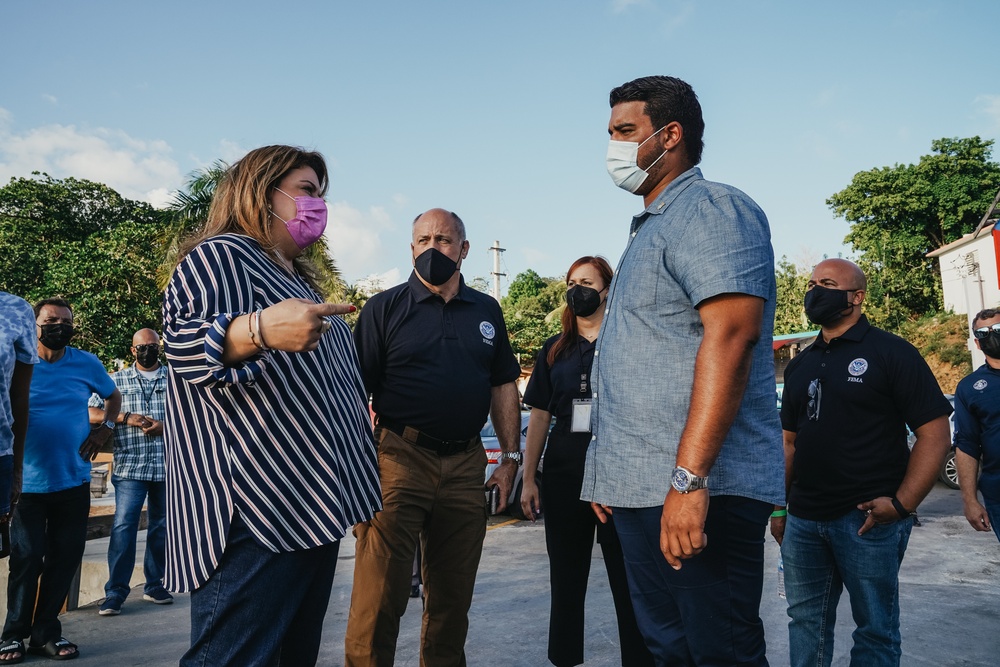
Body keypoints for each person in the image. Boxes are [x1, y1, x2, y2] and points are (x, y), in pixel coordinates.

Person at [582, 75, 786, 666]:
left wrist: (689, 481)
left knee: (718, 650)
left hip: (700, 491)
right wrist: (608, 475)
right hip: (643, 489)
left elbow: (732, 336)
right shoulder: (651, 228)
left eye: (625, 132)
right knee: (670, 649)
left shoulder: (712, 209)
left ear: (669, 135)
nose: (614, 149)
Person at [162, 145, 381, 667]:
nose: (317, 206)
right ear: (262, 193)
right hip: (259, 510)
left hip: (315, 507)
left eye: (320, 195)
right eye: (306, 191)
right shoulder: (221, 257)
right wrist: (256, 329)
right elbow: (184, 345)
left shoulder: (297, 279)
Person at [345, 208, 522, 667]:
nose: (431, 248)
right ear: (410, 248)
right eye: (422, 239)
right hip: (397, 458)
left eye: (443, 240)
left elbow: (504, 384)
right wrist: (355, 465)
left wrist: (510, 458)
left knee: (451, 601)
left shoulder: (487, 311)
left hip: (466, 465)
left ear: (464, 249)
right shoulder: (383, 309)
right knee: (379, 598)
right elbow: (352, 392)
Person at [773, 258, 952, 666]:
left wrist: (903, 504)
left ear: (856, 297)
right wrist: (780, 507)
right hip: (803, 521)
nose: (815, 290)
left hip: (869, 520)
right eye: (812, 282)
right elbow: (788, 443)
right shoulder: (800, 364)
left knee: (875, 628)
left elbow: (934, 434)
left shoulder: (892, 353)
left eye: (828, 283)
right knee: (805, 622)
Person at [520, 256, 652, 667]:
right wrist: (528, 479)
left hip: (618, 478)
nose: (578, 289)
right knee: (566, 578)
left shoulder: (626, 342)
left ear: (607, 290)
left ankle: (640, 659)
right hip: (563, 477)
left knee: (628, 580)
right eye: (572, 282)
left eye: (587, 282)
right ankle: (564, 659)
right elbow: (539, 416)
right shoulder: (554, 350)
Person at [1, 298, 121, 663]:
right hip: (27, 487)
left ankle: (46, 633)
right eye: (51, 320)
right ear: (33, 325)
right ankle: (12, 635)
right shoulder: (19, 364)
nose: (60, 327)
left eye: (66, 321)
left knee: (65, 558)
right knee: (26, 560)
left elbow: (113, 397)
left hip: (73, 481)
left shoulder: (86, 362)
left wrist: (106, 430)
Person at [89, 328, 172, 615]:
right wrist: (125, 417)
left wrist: (165, 427)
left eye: (153, 346)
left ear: (159, 348)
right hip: (130, 466)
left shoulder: (176, 379)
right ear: (133, 350)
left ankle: (155, 584)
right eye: (142, 346)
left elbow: (193, 415)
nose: (148, 350)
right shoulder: (116, 380)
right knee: (124, 527)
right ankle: (115, 593)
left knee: (161, 528)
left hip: (167, 465)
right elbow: (91, 412)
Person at [953, 307, 1000, 542]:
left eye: (998, 329)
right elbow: (967, 444)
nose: (992, 335)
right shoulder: (970, 388)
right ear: (977, 343)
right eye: (984, 333)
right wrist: (970, 500)